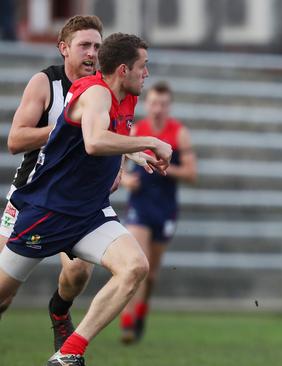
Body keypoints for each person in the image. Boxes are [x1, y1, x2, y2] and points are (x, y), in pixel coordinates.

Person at [0, 32, 172, 366]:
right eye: (143, 66)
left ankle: (69, 352)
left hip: (89, 214)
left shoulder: (126, 95)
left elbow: (112, 136)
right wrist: (149, 140)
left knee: (134, 267)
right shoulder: (95, 93)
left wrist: (136, 155)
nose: (147, 74)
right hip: (46, 212)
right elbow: (94, 141)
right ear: (123, 70)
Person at [0, 15, 103, 352]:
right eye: (84, 45)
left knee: (78, 274)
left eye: (98, 47)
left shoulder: (102, 88)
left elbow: (114, 135)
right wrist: (67, 127)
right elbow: (15, 140)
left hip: (76, 199)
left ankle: (59, 312)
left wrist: (121, 167)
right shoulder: (45, 83)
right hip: (31, 194)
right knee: (3, 292)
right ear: (63, 48)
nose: (92, 53)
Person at [119, 81, 197, 344]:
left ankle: (141, 310)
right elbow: (118, 160)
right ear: (147, 104)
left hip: (165, 209)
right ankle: (128, 322)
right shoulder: (137, 130)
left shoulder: (179, 133)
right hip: (140, 205)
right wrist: (125, 180)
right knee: (137, 264)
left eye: (163, 104)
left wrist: (164, 167)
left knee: (151, 274)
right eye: (153, 103)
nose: (157, 108)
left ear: (169, 106)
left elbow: (191, 173)